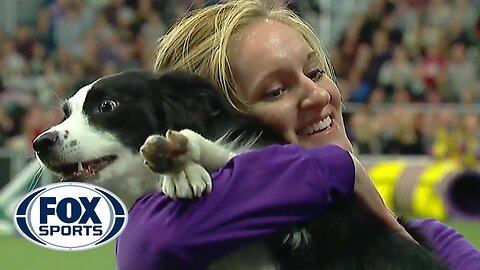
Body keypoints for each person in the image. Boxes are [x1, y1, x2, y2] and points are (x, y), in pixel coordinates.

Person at [115, 1, 480, 269]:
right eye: (276, 91)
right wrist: (335, 168)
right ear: (219, 126)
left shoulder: (430, 239)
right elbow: (150, 246)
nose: (321, 95)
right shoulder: (182, 239)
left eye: (316, 72)